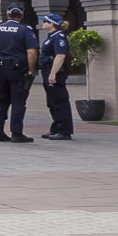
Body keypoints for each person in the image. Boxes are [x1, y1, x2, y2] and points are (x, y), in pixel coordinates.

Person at [0, 4, 41, 143]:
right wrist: (30, 69)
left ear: (7, 13)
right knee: (18, 101)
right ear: (22, 14)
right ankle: (16, 133)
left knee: (2, 100)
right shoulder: (25, 29)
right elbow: (32, 51)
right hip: (17, 69)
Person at [39, 11, 74, 140]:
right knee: (52, 102)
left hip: (54, 72)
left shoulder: (59, 37)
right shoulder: (51, 36)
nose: (43, 23)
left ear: (51, 24)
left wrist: (53, 73)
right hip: (47, 70)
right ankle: (56, 128)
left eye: (45, 21)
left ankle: (64, 131)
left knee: (59, 101)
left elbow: (60, 56)